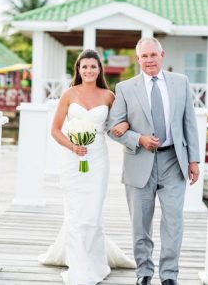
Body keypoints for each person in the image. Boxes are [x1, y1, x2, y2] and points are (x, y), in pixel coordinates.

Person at [108, 37, 200, 285]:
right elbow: (112, 127)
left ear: (162, 55)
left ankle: (169, 276)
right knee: (141, 224)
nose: (149, 60)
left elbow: (189, 122)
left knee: (173, 222)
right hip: (139, 162)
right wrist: (139, 139)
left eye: (153, 55)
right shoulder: (125, 88)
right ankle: (144, 273)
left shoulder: (181, 83)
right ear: (138, 59)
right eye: (144, 56)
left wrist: (194, 160)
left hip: (173, 161)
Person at [38, 49, 135, 285]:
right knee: (75, 212)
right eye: (84, 67)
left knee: (91, 214)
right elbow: (55, 130)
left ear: (99, 69)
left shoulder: (109, 96)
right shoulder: (69, 94)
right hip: (73, 161)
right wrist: (73, 146)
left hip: (98, 160)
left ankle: (94, 262)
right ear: (78, 70)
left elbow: (120, 123)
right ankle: (79, 266)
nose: (89, 70)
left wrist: (123, 127)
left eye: (93, 66)